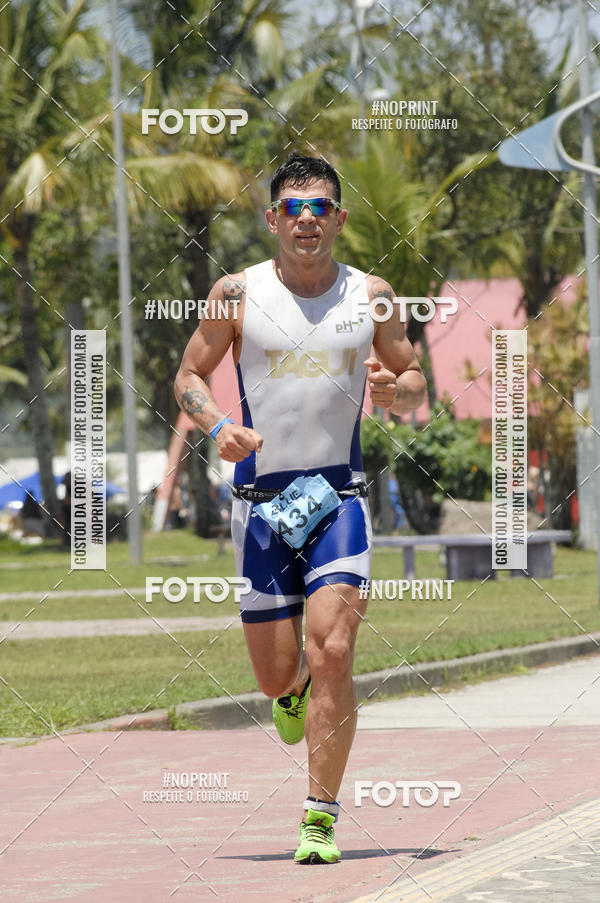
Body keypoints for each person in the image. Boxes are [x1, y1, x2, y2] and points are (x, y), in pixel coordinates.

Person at [174, 152, 426, 864]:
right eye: (293, 207)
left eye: (319, 208)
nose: (307, 219)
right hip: (262, 504)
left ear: (339, 219)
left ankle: (319, 817)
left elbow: (411, 376)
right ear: (272, 219)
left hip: (339, 498)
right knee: (276, 676)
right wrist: (218, 427)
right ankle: (293, 689)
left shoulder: (372, 296)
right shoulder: (236, 293)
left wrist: (398, 392)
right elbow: (189, 373)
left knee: (335, 649)